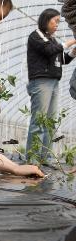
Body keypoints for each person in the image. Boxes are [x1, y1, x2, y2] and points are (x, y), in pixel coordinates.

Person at [26, 8, 76, 164]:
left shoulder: (53, 40)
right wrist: (71, 41)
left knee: (50, 122)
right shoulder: (36, 36)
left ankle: (45, 157)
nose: (57, 25)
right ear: (45, 20)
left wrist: (73, 53)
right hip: (41, 82)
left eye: (59, 22)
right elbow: (49, 51)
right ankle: (32, 158)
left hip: (54, 82)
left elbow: (60, 60)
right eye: (55, 21)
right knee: (39, 121)